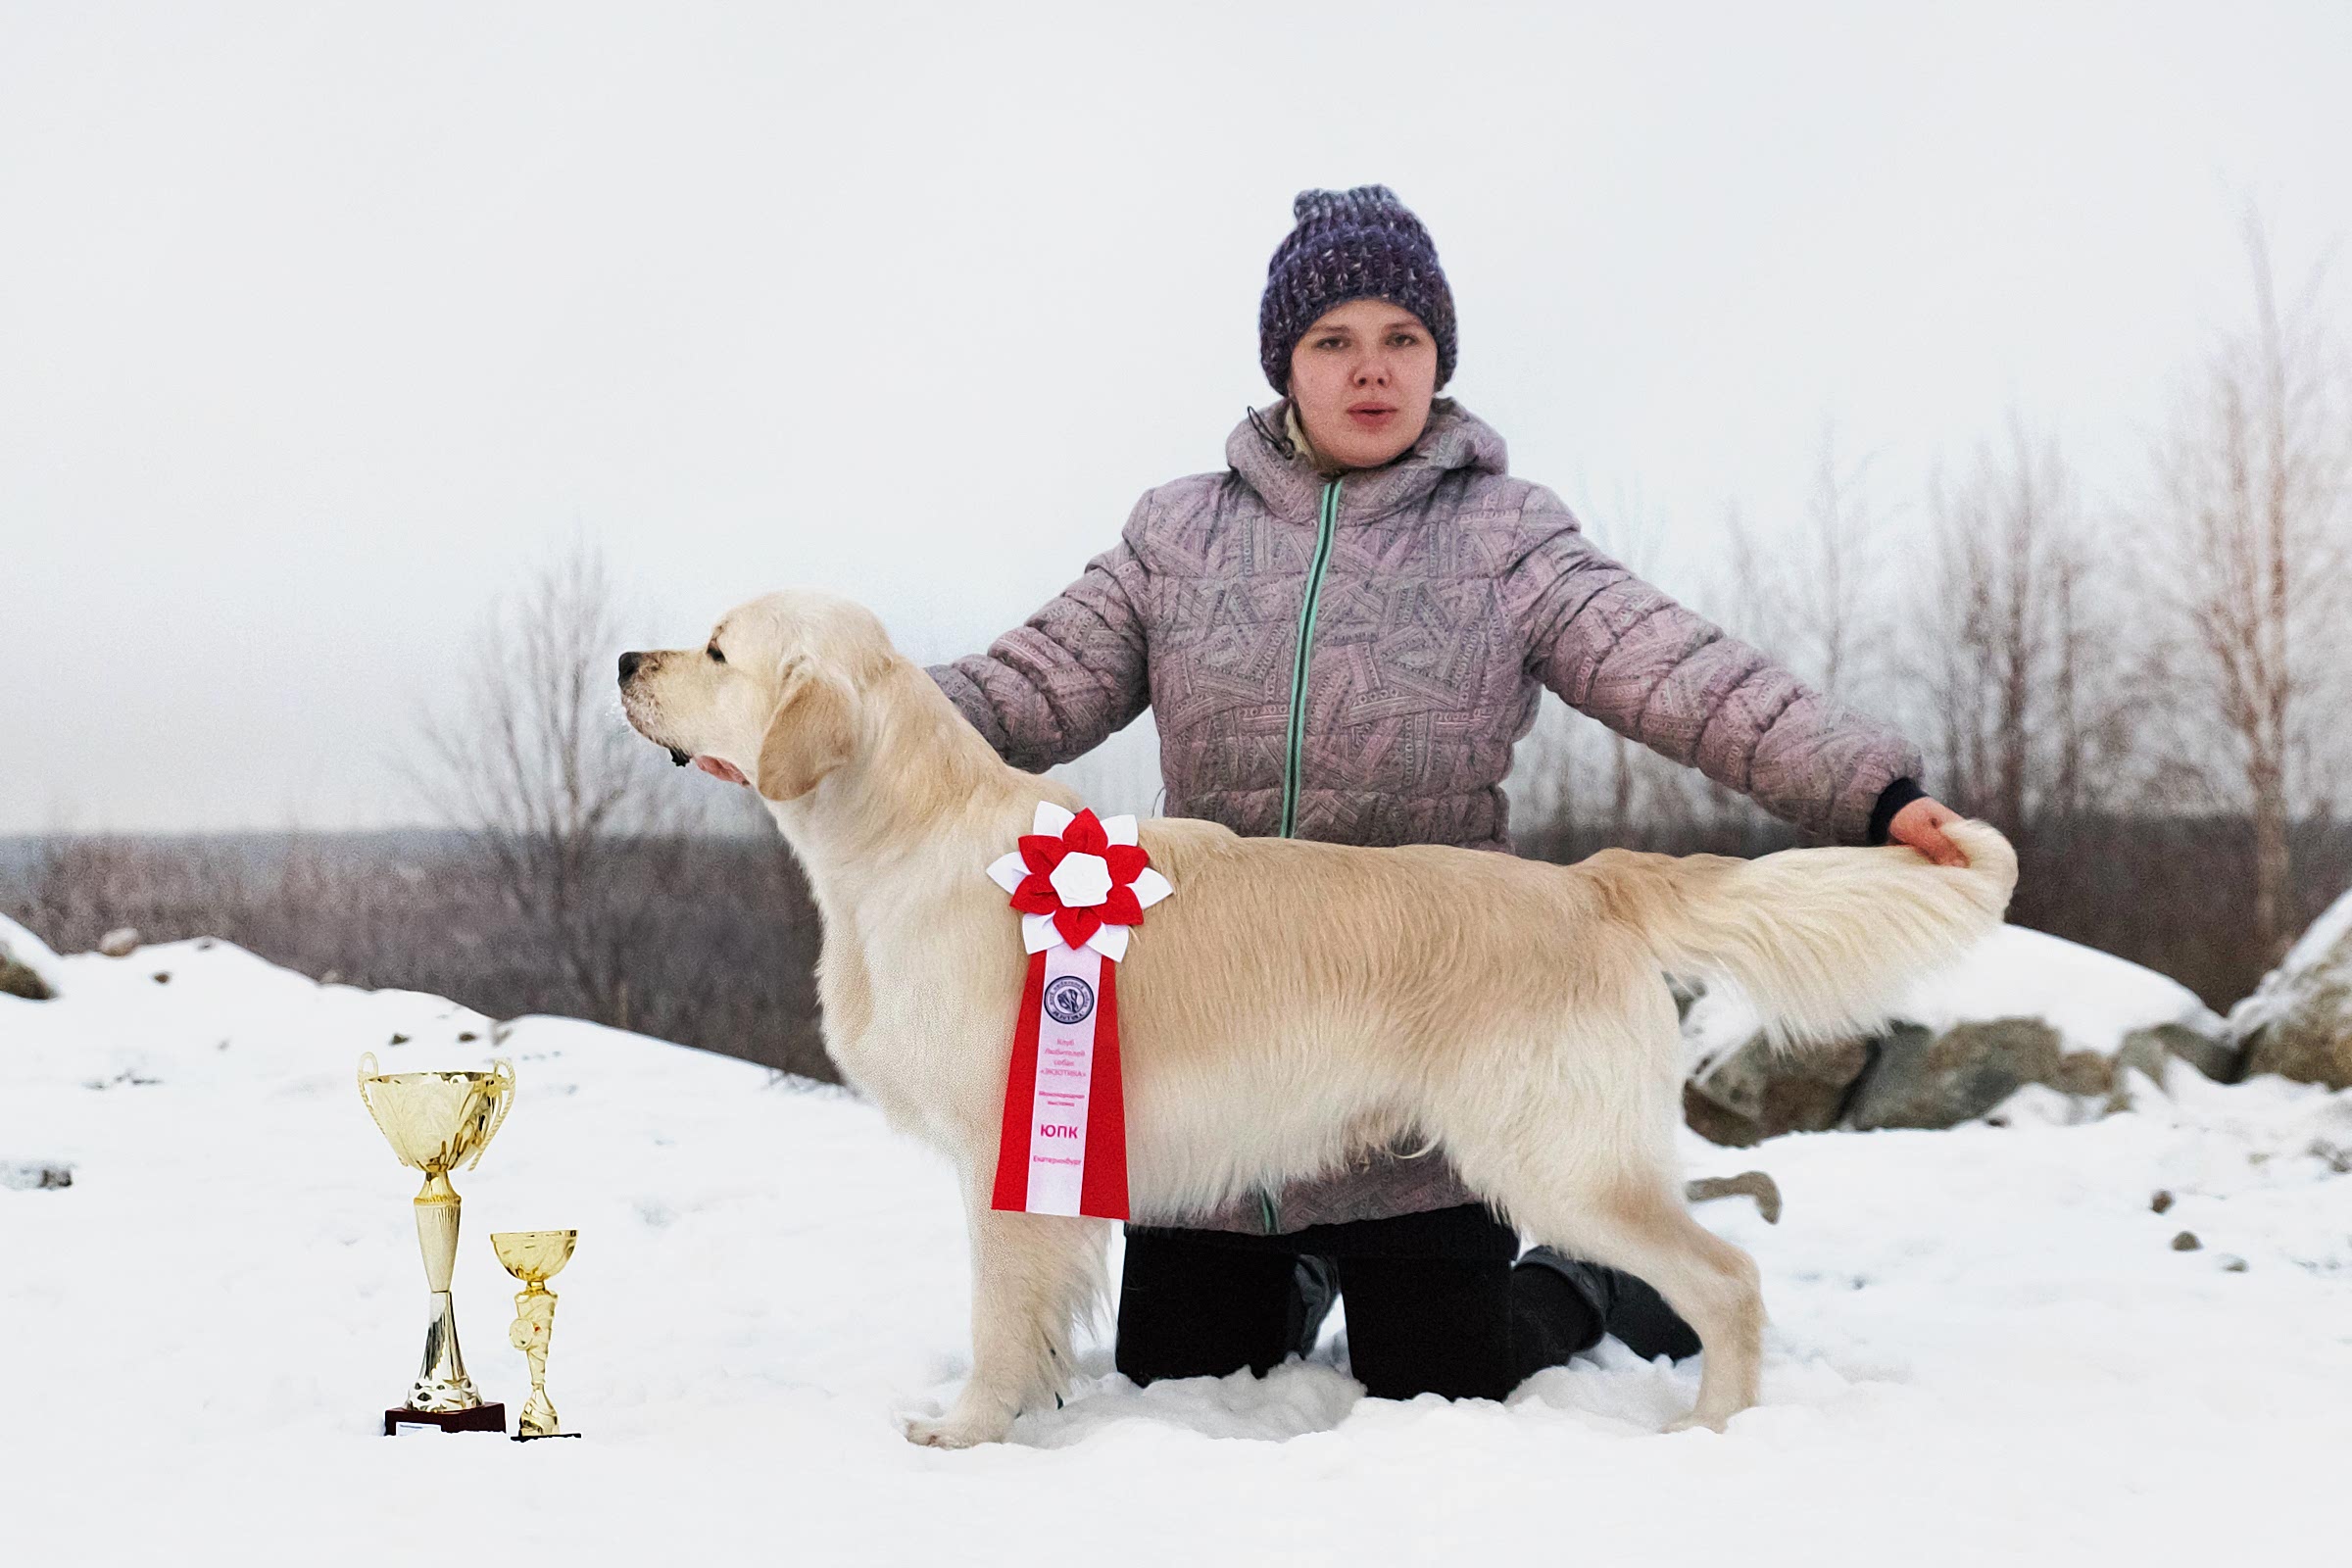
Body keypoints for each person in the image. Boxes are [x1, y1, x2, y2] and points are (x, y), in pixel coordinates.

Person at [926, 184, 1967, 1403]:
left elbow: (1687, 673)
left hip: (1436, 1050)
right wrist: (830, 723)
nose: (1372, 372)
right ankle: (1298, 1271)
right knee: (1179, 1384)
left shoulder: (1506, 535)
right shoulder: (1177, 535)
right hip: (1216, 1113)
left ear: (1438, 361)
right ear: (1286, 367)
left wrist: (1873, 790)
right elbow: (1025, 685)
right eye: (1334, 342)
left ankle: (1586, 1280)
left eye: (1402, 341)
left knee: (1446, 1385)